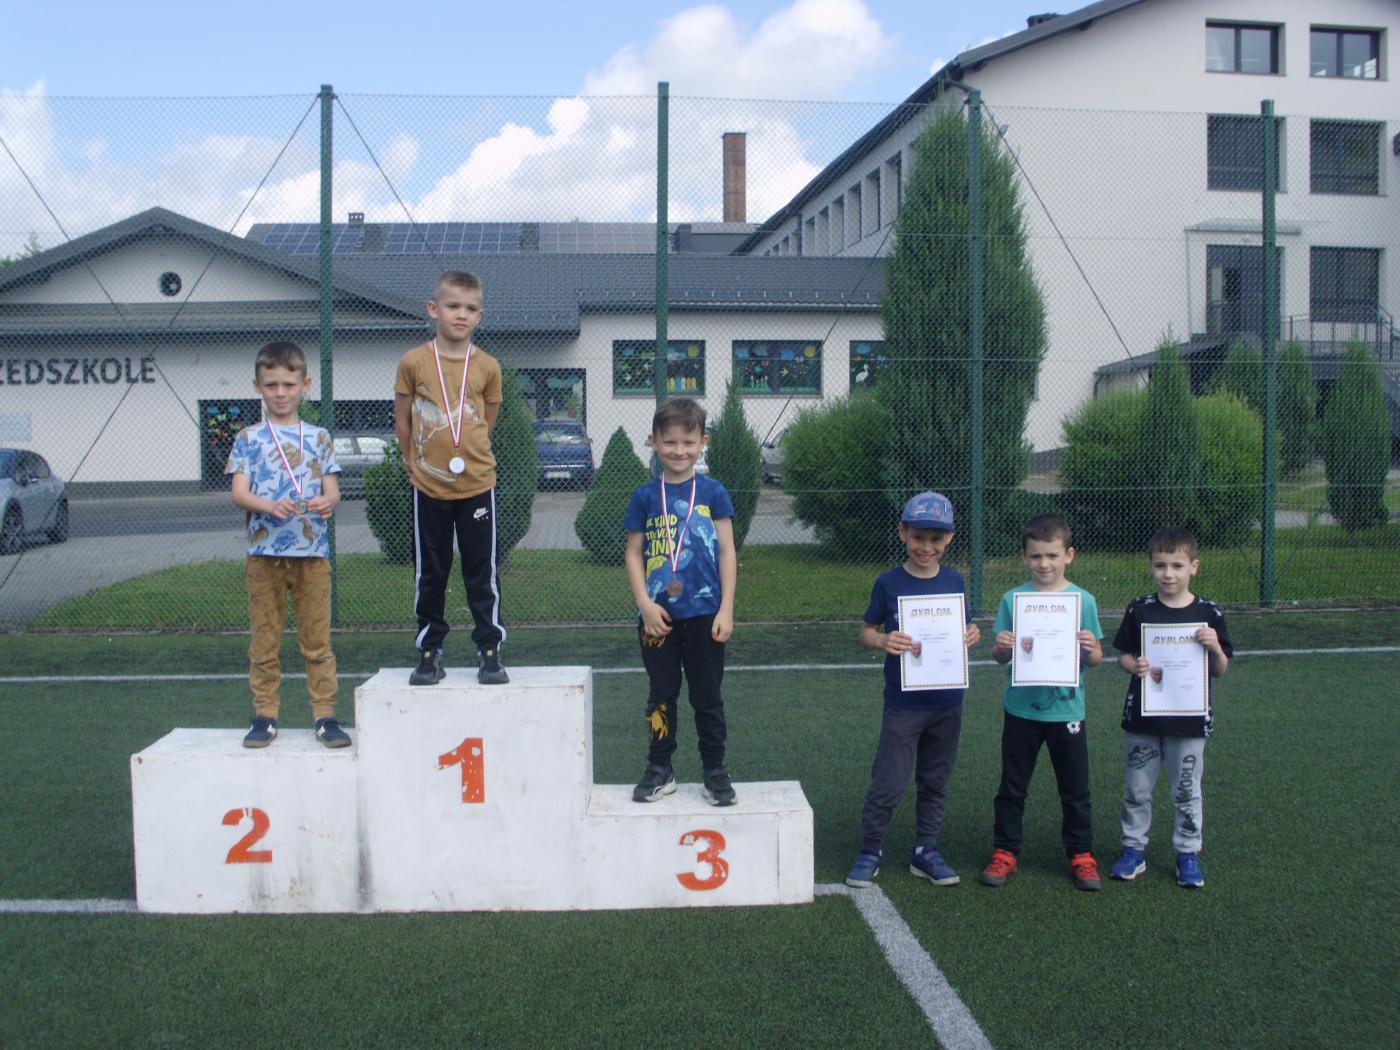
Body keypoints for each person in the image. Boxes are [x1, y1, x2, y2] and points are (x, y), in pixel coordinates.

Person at [845, 493, 981, 890]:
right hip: (904, 704)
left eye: (936, 539)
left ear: (950, 539)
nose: (926, 547)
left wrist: (971, 634)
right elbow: (867, 632)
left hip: (947, 701)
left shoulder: (955, 581)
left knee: (935, 779)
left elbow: (963, 629)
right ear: (902, 532)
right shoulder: (888, 582)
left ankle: (926, 850)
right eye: (918, 537)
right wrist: (882, 641)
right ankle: (870, 850)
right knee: (889, 781)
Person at [226, 341, 348, 749]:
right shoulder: (248, 438)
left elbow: (333, 491)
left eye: (288, 385)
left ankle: (325, 715)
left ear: (305, 385)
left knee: (317, 640)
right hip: (265, 556)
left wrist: (327, 502)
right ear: (257, 387)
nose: (280, 393)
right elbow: (239, 493)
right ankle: (265, 715)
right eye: (271, 385)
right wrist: (269, 506)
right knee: (265, 639)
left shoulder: (319, 437)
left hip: (311, 555)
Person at [394, 271, 508, 686]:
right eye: (453, 306)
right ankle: (430, 649)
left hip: (477, 485)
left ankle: (489, 648)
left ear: (480, 316)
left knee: (482, 571)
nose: (461, 315)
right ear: (433, 309)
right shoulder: (414, 362)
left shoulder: (488, 366)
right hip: (429, 486)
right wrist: (411, 459)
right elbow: (403, 416)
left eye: (470, 308)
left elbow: (487, 419)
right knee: (431, 571)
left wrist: (466, 453)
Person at [624, 397, 738, 807]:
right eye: (669, 442)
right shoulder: (644, 496)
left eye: (688, 442)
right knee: (661, 694)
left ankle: (715, 771)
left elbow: (726, 551)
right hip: (657, 617)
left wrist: (726, 609)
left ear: (703, 442)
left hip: (706, 614)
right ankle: (660, 768)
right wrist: (644, 604)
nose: (679, 450)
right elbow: (633, 553)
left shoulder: (713, 492)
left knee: (708, 696)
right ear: (653, 442)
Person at [983, 514, 1104, 891]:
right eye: (1036, 556)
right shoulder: (1013, 600)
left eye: (1052, 555)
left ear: (1069, 555)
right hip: (1021, 709)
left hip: (1068, 711)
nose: (1044, 564)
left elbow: (1096, 658)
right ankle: (1005, 851)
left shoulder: (1083, 601)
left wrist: (1090, 647)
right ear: (1024, 557)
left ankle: (1081, 854)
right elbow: (1000, 657)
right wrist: (1002, 647)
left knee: (1075, 788)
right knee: (1012, 786)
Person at [1109, 527, 1232, 889]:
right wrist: (1134, 666)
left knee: (1187, 790)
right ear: (1150, 565)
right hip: (1144, 719)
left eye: (1177, 565)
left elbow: (1220, 669)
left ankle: (1188, 853)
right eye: (1160, 565)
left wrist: (1215, 647)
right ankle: (1133, 849)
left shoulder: (1208, 612)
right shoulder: (1140, 608)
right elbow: (1124, 656)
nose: (1168, 574)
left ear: (1194, 566)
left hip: (1189, 721)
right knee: (1137, 789)